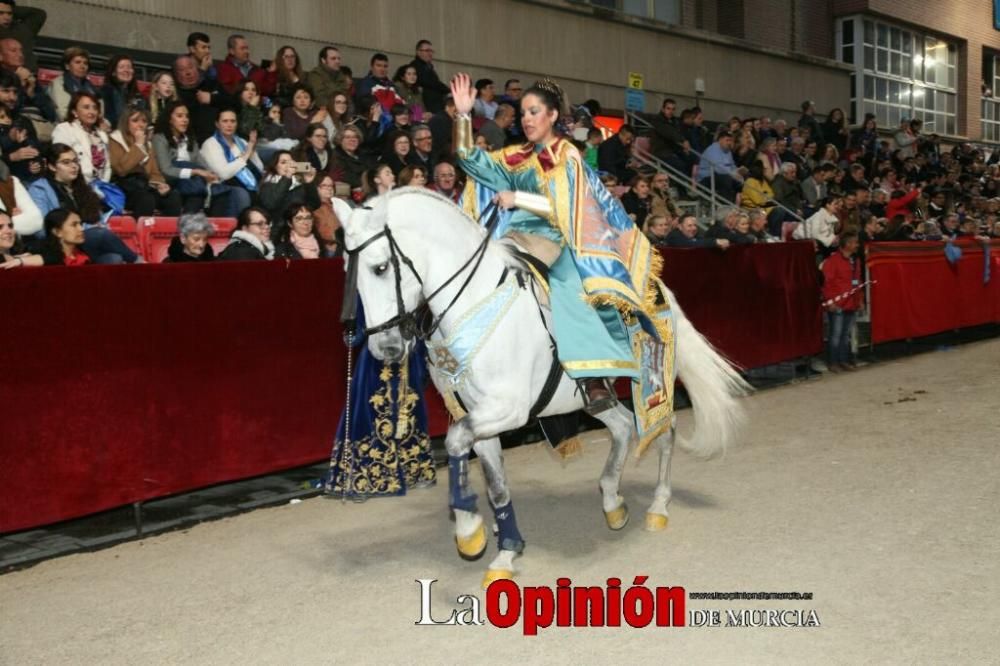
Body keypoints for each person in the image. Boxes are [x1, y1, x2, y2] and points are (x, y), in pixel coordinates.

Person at [453, 73, 679, 410]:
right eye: (523, 113)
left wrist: (519, 198)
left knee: (567, 282)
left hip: (558, 239)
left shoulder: (567, 155)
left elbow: (568, 208)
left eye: (534, 112)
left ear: (553, 115)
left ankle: (593, 377)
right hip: (515, 239)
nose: (526, 119)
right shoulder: (518, 157)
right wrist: (463, 116)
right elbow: (472, 162)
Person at [325, 300, 436, 499]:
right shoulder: (366, 290)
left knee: (409, 416)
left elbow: (419, 321)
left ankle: (411, 470)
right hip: (375, 365)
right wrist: (353, 333)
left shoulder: (408, 286)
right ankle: (372, 476)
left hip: (406, 360)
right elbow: (357, 331)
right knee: (373, 415)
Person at [28, 142, 137, 263]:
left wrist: (96, 226)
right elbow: (43, 228)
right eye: (66, 162)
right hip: (60, 244)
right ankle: (140, 263)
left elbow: (98, 218)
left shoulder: (83, 188)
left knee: (114, 258)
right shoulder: (39, 188)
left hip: (84, 243)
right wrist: (87, 228)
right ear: (52, 166)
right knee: (101, 234)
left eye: (75, 161)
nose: (74, 166)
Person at [152, 100, 222, 214]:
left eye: (187, 116)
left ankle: (187, 224)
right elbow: (166, 170)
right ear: (170, 119)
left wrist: (211, 175)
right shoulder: (159, 138)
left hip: (190, 182)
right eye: (179, 116)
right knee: (196, 188)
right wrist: (195, 172)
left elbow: (201, 162)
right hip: (170, 179)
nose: (185, 120)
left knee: (198, 194)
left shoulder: (190, 140)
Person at [108, 107, 181, 216]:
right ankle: (141, 232)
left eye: (144, 121)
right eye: (135, 121)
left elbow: (154, 172)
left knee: (173, 197)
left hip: (143, 185)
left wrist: (160, 184)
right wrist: (138, 145)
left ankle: (168, 232)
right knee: (146, 199)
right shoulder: (115, 139)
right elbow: (121, 169)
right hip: (122, 186)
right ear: (125, 123)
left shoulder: (148, 144)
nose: (140, 125)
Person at [200, 108, 263, 217]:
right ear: (217, 124)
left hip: (246, 184)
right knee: (242, 194)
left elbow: (259, 168)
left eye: (232, 121)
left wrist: (252, 150)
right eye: (225, 121)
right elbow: (223, 174)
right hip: (222, 185)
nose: (229, 124)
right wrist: (245, 155)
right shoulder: (211, 144)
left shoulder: (241, 142)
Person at [51, 91, 111, 185]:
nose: (91, 112)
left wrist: (102, 186)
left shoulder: (102, 134)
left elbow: (107, 167)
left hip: (100, 187)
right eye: (86, 107)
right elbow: (61, 161)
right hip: (74, 184)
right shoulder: (64, 129)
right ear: (74, 112)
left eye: (95, 108)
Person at [821, 232, 862, 371]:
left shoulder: (855, 261)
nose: (857, 245)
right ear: (848, 244)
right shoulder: (832, 262)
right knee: (836, 335)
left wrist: (859, 300)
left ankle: (843, 360)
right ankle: (833, 362)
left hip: (851, 303)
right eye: (855, 242)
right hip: (838, 304)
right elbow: (826, 283)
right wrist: (830, 301)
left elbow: (858, 281)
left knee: (845, 335)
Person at [173, 55, 228, 144]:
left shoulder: (211, 84)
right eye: (182, 70)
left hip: (225, 136)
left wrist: (212, 99)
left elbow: (232, 101)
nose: (188, 72)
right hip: (197, 142)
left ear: (197, 69)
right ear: (176, 75)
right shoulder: (177, 95)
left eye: (191, 67)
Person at [258, 149, 319, 223]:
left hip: (299, 225)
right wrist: (287, 177)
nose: (288, 166)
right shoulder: (267, 185)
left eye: (291, 162)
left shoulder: (299, 184)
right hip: (278, 228)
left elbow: (314, 205)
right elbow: (271, 204)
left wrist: (309, 183)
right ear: (275, 166)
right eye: (283, 162)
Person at [46, 47, 99, 125]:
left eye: (85, 63)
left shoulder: (91, 87)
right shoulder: (58, 84)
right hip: (67, 127)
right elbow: (63, 113)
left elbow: (98, 109)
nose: (82, 66)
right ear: (67, 66)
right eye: (77, 62)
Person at [216, 34, 275, 98]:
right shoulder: (224, 69)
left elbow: (267, 91)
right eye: (242, 48)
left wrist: (271, 74)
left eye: (247, 48)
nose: (247, 51)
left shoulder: (257, 69)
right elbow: (228, 91)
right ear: (232, 51)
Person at [100, 54, 147, 127]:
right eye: (121, 67)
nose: (126, 70)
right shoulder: (107, 91)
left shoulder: (139, 96)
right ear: (113, 72)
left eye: (129, 67)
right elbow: (110, 118)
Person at [697, 130, 743, 203]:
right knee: (726, 179)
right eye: (727, 140)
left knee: (741, 181)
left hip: (722, 176)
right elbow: (719, 169)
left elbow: (732, 165)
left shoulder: (728, 151)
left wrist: (738, 173)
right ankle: (725, 206)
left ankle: (737, 205)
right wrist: (733, 174)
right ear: (720, 140)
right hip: (706, 178)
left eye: (730, 141)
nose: (729, 143)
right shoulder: (713, 149)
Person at [0, 0, 45, 70]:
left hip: (29, 74)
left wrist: (10, 7)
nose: (6, 17)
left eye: (9, 14)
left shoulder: (23, 29)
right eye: (1, 13)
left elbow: (38, 14)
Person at [305, 46, 352, 111]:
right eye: (333, 58)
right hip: (322, 113)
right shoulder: (315, 74)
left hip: (340, 113)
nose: (337, 61)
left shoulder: (341, 75)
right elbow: (320, 99)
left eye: (339, 58)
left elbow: (346, 97)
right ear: (323, 60)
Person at [409, 39, 449, 114]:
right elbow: (431, 82)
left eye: (431, 51)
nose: (430, 54)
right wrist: (448, 90)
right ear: (418, 52)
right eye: (427, 51)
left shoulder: (428, 67)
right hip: (425, 108)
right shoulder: (415, 66)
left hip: (434, 106)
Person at [312, 173, 344, 257]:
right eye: (324, 185)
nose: (329, 188)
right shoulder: (315, 207)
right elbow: (324, 232)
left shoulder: (338, 204)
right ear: (316, 187)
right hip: (327, 249)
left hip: (342, 247)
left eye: (331, 186)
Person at [332, 124, 368, 192]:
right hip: (347, 193)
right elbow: (350, 179)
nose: (352, 140)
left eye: (355, 137)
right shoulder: (336, 157)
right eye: (348, 137)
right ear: (340, 140)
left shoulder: (363, 154)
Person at [665, 213, 730, 249]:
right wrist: (715, 242)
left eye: (695, 225)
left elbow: (702, 241)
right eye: (689, 226)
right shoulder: (673, 236)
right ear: (680, 227)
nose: (693, 228)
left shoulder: (696, 235)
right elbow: (689, 244)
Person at [271, 45, 303, 110]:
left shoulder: (302, 77)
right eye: (286, 57)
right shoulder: (276, 77)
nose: (290, 59)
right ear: (281, 59)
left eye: (292, 56)